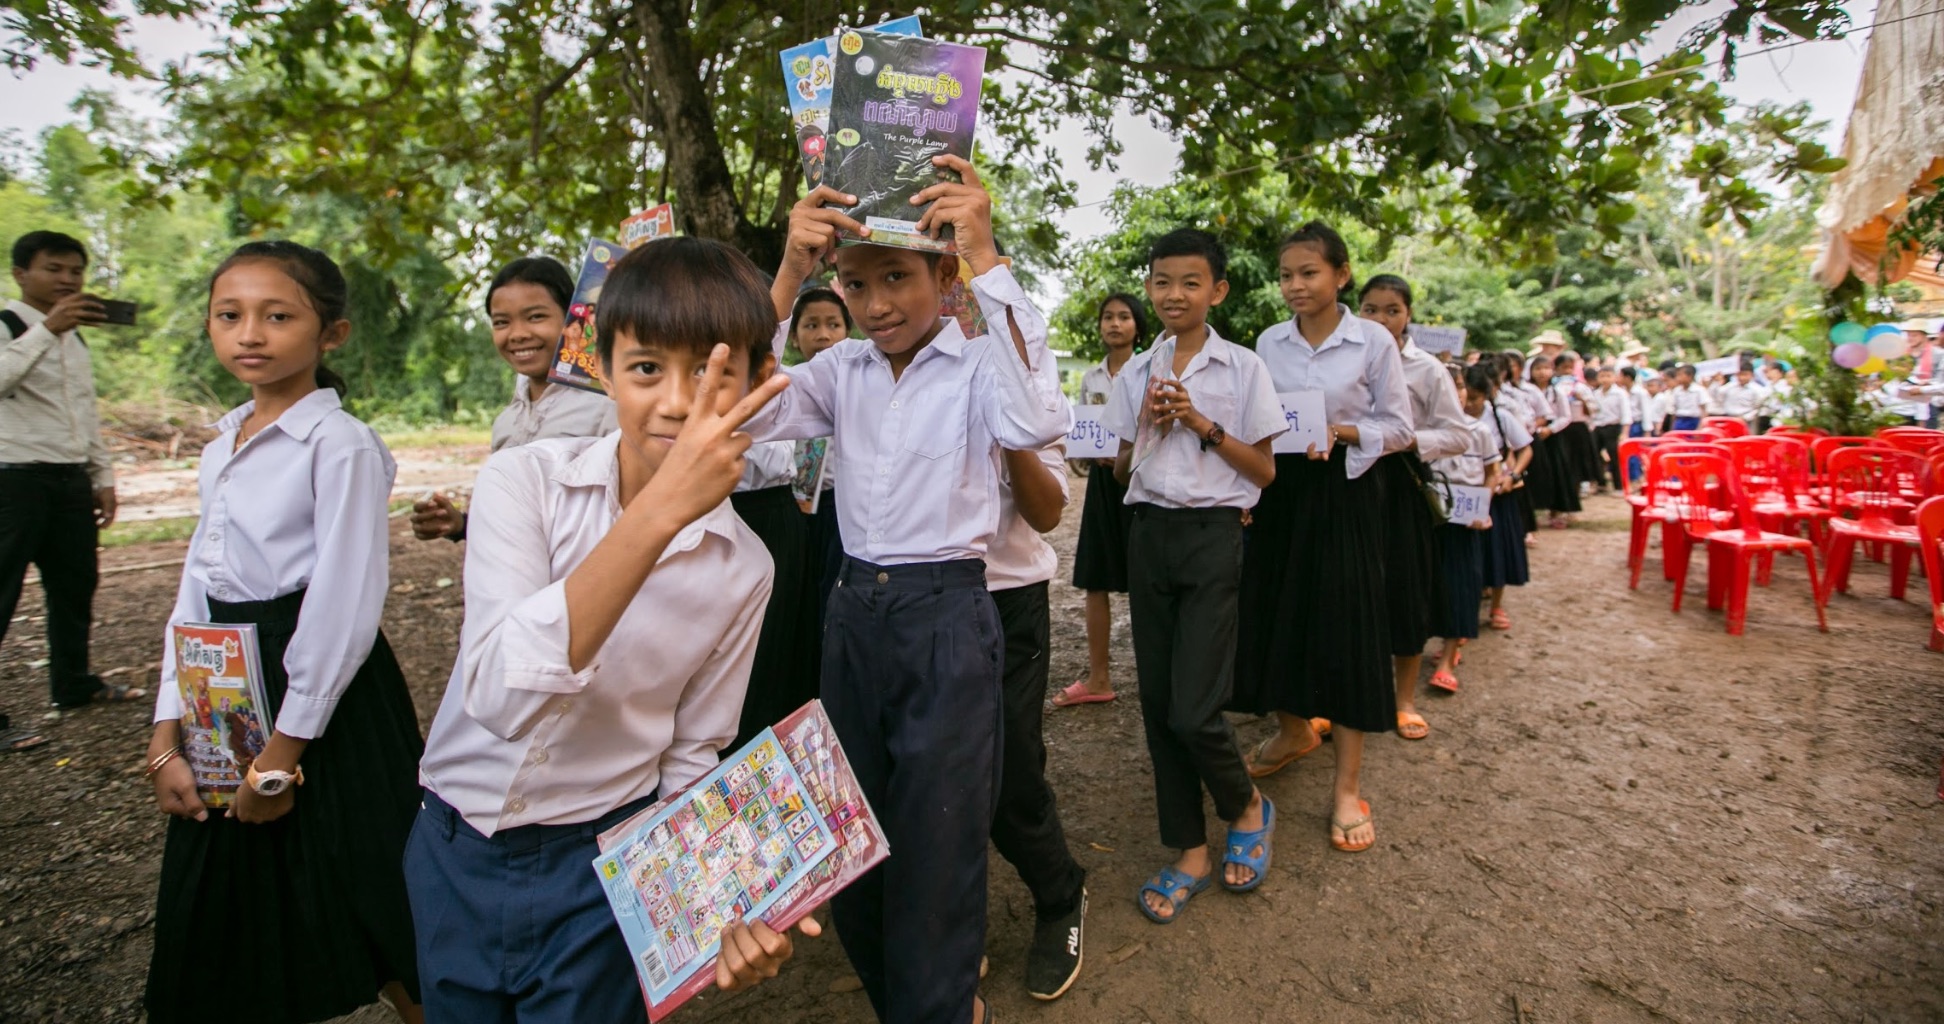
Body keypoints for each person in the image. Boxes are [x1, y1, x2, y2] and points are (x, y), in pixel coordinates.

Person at [407, 237, 809, 1022]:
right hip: (452, 846)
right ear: (602, 365)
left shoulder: (744, 568)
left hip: (601, 866)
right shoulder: (524, 482)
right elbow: (497, 695)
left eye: (713, 372)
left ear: (760, 382)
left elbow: (693, 749)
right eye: (648, 368)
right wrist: (655, 518)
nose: (678, 401)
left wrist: (716, 899)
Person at [750, 157, 1070, 1024]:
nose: (877, 302)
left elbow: (1039, 421)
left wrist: (988, 250)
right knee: (851, 833)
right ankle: (908, 1002)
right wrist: (786, 272)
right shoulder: (839, 373)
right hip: (853, 615)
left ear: (944, 275)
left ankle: (940, 1003)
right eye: (856, 283)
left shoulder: (977, 371)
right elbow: (738, 408)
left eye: (897, 276)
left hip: (950, 620)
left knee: (937, 843)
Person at [143, 241, 424, 1024]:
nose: (250, 334)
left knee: (373, 880)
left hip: (323, 691)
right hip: (225, 684)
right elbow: (195, 590)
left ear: (330, 334)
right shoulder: (219, 446)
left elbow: (344, 600)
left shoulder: (342, 445)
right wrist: (169, 728)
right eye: (229, 316)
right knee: (225, 883)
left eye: (277, 315)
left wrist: (283, 755)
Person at [1100, 227, 1280, 918]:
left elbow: (1263, 471)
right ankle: (1190, 850)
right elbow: (1118, 471)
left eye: (1190, 283)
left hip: (1213, 537)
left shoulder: (1242, 369)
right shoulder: (1136, 370)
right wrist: (1147, 424)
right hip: (1149, 535)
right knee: (1155, 705)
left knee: (1194, 708)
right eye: (1162, 281)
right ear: (1149, 287)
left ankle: (1246, 804)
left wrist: (1202, 423)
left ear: (1218, 291)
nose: (1174, 294)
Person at [1232, 220, 1410, 857]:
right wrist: (1250, 495)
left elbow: (1399, 427)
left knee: (1348, 627)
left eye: (1309, 273)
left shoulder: (1373, 343)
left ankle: (1347, 788)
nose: (1295, 285)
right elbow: (1255, 424)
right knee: (1274, 614)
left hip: (1347, 494)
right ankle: (1293, 731)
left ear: (1341, 275)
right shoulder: (1267, 343)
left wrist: (1343, 433)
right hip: (1281, 493)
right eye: (1286, 275)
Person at [2, 230, 140, 717]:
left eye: (75, 271)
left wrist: (102, 476)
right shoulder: (8, 323)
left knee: (75, 586)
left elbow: (83, 410)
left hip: (69, 480)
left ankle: (73, 683)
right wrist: (47, 330)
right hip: (12, 479)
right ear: (22, 274)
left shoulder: (76, 336)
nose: (67, 279)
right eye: (53, 269)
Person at [410, 256, 616, 542]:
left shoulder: (607, 407)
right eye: (502, 322)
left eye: (535, 317)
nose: (518, 334)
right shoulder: (506, 423)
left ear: (574, 319)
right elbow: (512, 522)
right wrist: (460, 525)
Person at [984, 441, 1089, 999]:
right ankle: (951, 924)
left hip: (1006, 598)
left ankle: (1060, 893)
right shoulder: (880, 366)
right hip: (912, 598)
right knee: (931, 769)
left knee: (1012, 768)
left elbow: (1047, 511)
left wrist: (1010, 431)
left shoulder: (1022, 369)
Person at [1357, 274, 1471, 741]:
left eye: (1392, 310)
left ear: (1408, 316)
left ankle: (1403, 700)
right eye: (1370, 309)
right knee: (1349, 591)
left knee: (1405, 592)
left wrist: (1405, 440)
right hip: (1347, 486)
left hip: (1402, 488)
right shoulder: (1344, 360)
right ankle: (1340, 696)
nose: (1381, 320)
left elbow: (1459, 434)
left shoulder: (1426, 368)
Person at [1055, 293, 1145, 708]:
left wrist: (1128, 453)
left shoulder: (1151, 370)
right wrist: (1089, 451)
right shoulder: (1092, 377)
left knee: (1147, 580)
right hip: (1101, 487)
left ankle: (1156, 675)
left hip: (1143, 483)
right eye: (1107, 316)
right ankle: (1098, 677)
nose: (1114, 324)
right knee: (1095, 579)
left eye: (1124, 317)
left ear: (1137, 326)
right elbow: (1086, 430)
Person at [1426, 367, 1501, 693]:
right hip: (1429, 521)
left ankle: (1449, 657)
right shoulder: (1421, 430)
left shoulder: (1479, 431)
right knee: (1427, 584)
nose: (1453, 393)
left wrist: (1483, 505)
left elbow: (1492, 471)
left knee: (1461, 586)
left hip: (1465, 521)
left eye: (1457, 386)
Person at [1477, 362, 1533, 630]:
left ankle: (1496, 605)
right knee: (1474, 553)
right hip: (1469, 492)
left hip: (1498, 494)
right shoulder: (1452, 417)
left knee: (1497, 550)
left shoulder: (1500, 416)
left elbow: (1525, 449)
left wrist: (1513, 476)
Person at [1522, 353, 1579, 528]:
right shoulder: (1525, 391)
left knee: (1557, 473)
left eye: (1546, 368)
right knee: (1533, 474)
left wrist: (1550, 429)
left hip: (1553, 437)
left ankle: (1557, 512)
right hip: (1531, 434)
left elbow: (1565, 416)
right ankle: (1533, 511)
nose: (1542, 373)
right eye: (1538, 369)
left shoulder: (1557, 392)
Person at [1588, 365, 1630, 493]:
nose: (1605, 379)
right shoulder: (1596, 394)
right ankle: (1601, 483)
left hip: (1613, 427)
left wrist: (1624, 432)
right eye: (1602, 376)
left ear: (1614, 377)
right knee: (1594, 455)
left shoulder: (1620, 393)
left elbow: (1626, 414)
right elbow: (1592, 412)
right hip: (1598, 427)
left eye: (1608, 376)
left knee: (1614, 456)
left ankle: (1619, 486)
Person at [1713, 362, 1766, 429]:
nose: (1741, 377)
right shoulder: (1729, 386)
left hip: (1747, 421)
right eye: (1739, 374)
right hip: (1728, 419)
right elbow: (1717, 397)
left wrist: (1745, 417)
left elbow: (1759, 408)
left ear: (1752, 375)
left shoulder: (1758, 390)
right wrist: (1716, 382)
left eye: (1745, 375)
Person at [1664, 364, 1708, 431]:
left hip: (1694, 420)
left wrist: (1700, 427)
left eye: (1680, 375)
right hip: (1680, 420)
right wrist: (1673, 426)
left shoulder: (1699, 390)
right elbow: (1675, 410)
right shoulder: (1677, 391)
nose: (1678, 378)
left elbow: (1703, 410)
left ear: (1689, 376)